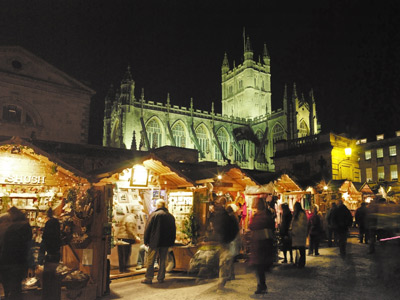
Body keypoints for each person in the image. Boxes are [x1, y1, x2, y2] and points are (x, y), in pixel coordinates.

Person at [208, 196, 239, 292]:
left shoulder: (222, 216)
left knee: (223, 262)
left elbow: (231, 228)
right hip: (222, 241)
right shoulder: (223, 215)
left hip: (224, 242)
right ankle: (223, 280)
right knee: (223, 262)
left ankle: (221, 282)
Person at [0, 207, 32, 300]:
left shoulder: (5, 228)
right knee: (16, 288)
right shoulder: (24, 226)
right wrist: (30, 264)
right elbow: (28, 246)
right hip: (18, 262)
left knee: (7, 287)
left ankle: (7, 296)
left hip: (4, 262)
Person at [141, 199, 176, 284]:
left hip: (154, 241)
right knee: (163, 260)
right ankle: (161, 277)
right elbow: (173, 230)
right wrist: (171, 242)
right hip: (165, 242)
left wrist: (146, 240)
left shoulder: (154, 215)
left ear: (158, 206)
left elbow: (148, 228)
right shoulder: (170, 216)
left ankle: (149, 278)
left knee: (151, 260)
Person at [248, 198, 274, 296]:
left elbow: (252, 226)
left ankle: (262, 286)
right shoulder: (267, 215)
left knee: (259, 267)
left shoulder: (259, 216)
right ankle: (262, 285)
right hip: (264, 244)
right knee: (260, 267)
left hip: (259, 245)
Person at [41, 207, 62, 300]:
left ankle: (47, 295)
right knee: (55, 278)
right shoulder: (56, 222)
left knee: (48, 278)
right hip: (56, 253)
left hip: (50, 254)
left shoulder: (49, 223)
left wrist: (41, 256)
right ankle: (54, 295)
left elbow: (45, 239)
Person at [290, 202, 308, 268]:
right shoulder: (299, 214)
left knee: (301, 249)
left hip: (299, 234)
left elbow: (301, 225)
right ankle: (298, 262)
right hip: (297, 234)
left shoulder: (300, 214)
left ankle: (301, 263)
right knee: (298, 249)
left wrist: (295, 231)